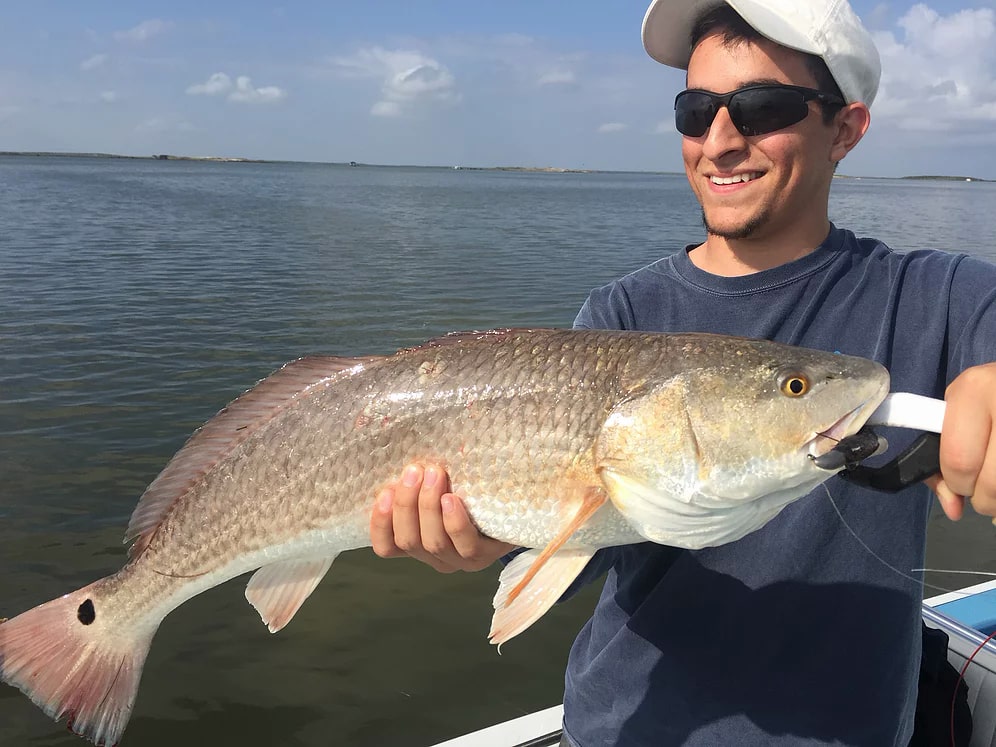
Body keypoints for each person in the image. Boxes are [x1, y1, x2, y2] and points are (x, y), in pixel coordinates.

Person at [370, 0, 996, 744]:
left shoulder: (941, 298)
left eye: (763, 107)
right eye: (695, 110)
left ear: (846, 129)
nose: (720, 140)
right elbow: (582, 537)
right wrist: (490, 534)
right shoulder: (622, 311)